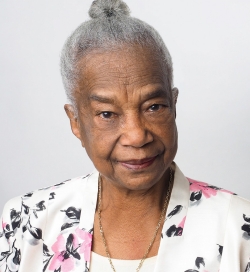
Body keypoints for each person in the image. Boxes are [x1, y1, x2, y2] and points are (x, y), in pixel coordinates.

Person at [0, 0, 250, 271]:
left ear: (174, 105)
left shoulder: (237, 226)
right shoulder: (27, 221)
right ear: (75, 122)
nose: (136, 135)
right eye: (107, 114)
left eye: (154, 107)